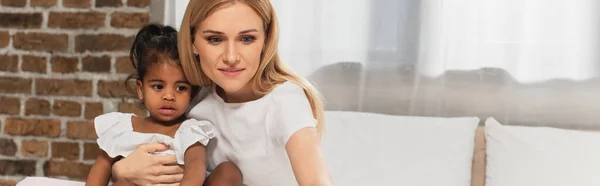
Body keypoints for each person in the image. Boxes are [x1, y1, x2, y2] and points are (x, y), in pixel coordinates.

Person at [111, 0, 333, 185]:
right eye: (215, 39)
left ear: (266, 40)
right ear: (193, 43)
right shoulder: (195, 97)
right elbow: (158, 155)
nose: (231, 56)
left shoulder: (285, 101)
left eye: (247, 39)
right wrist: (121, 170)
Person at [85, 23, 222, 186]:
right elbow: (102, 165)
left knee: (227, 171)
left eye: (181, 88)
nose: (169, 96)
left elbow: (196, 167)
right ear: (140, 89)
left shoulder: (189, 131)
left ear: (191, 93)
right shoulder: (123, 128)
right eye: (158, 86)